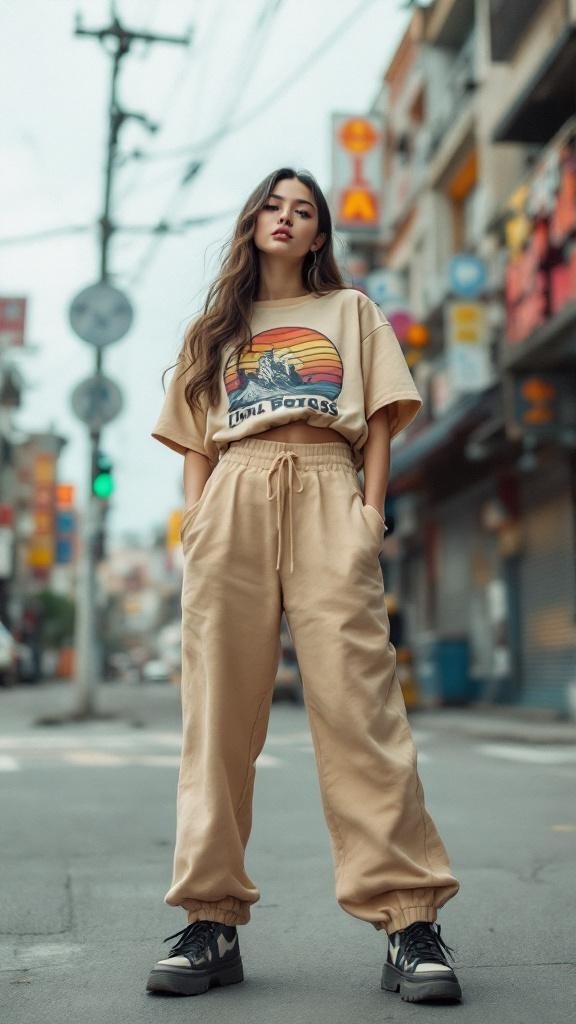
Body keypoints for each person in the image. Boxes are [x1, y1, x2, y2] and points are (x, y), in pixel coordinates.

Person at [147, 167, 462, 1004]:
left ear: (320, 234)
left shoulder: (351, 313)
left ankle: (410, 923)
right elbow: (192, 442)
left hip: (329, 484)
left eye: (304, 212)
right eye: (274, 208)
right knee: (217, 714)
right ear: (253, 223)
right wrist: (199, 519)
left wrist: (370, 513)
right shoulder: (216, 328)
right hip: (235, 494)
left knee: (362, 708)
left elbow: (386, 416)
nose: (287, 220)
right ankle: (208, 920)